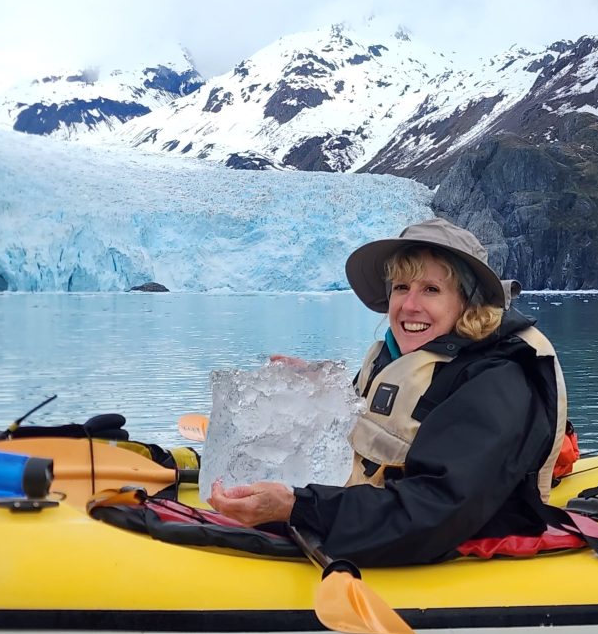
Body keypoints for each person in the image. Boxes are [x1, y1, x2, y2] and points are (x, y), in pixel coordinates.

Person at [209, 217, 567, 567]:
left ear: (468, 303)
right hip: (371, 515)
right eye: (400, 288)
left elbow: (434, 509)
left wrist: (298, 507)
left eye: (431, 289)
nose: (409, 306)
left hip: (437, 540)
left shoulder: (495, 382)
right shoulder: (397, 356)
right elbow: (381, 426)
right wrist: (321, 396)